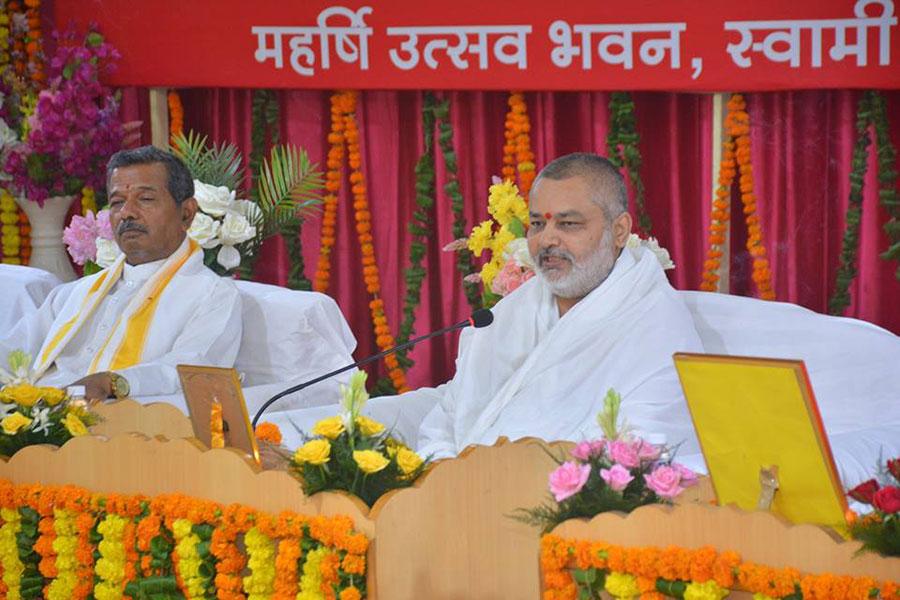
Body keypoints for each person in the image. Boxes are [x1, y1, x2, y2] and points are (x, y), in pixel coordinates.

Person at [415, 152, 704, 458]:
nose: (547, 239)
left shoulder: (656, 323)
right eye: (537, 224)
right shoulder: (511, 313)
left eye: (568, 224)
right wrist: (445, 474)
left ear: (619, 231)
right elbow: (447, 420)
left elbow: (642, 446)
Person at [0, 146, 242, 402]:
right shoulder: (74, 293)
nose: (127, 212)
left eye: (145, 199)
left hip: (120, 428)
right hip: (30, 419)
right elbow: (14, 351)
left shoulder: (211, 295)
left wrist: (111, 382)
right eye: (117, 202)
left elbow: (192, 371)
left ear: (187, 213)